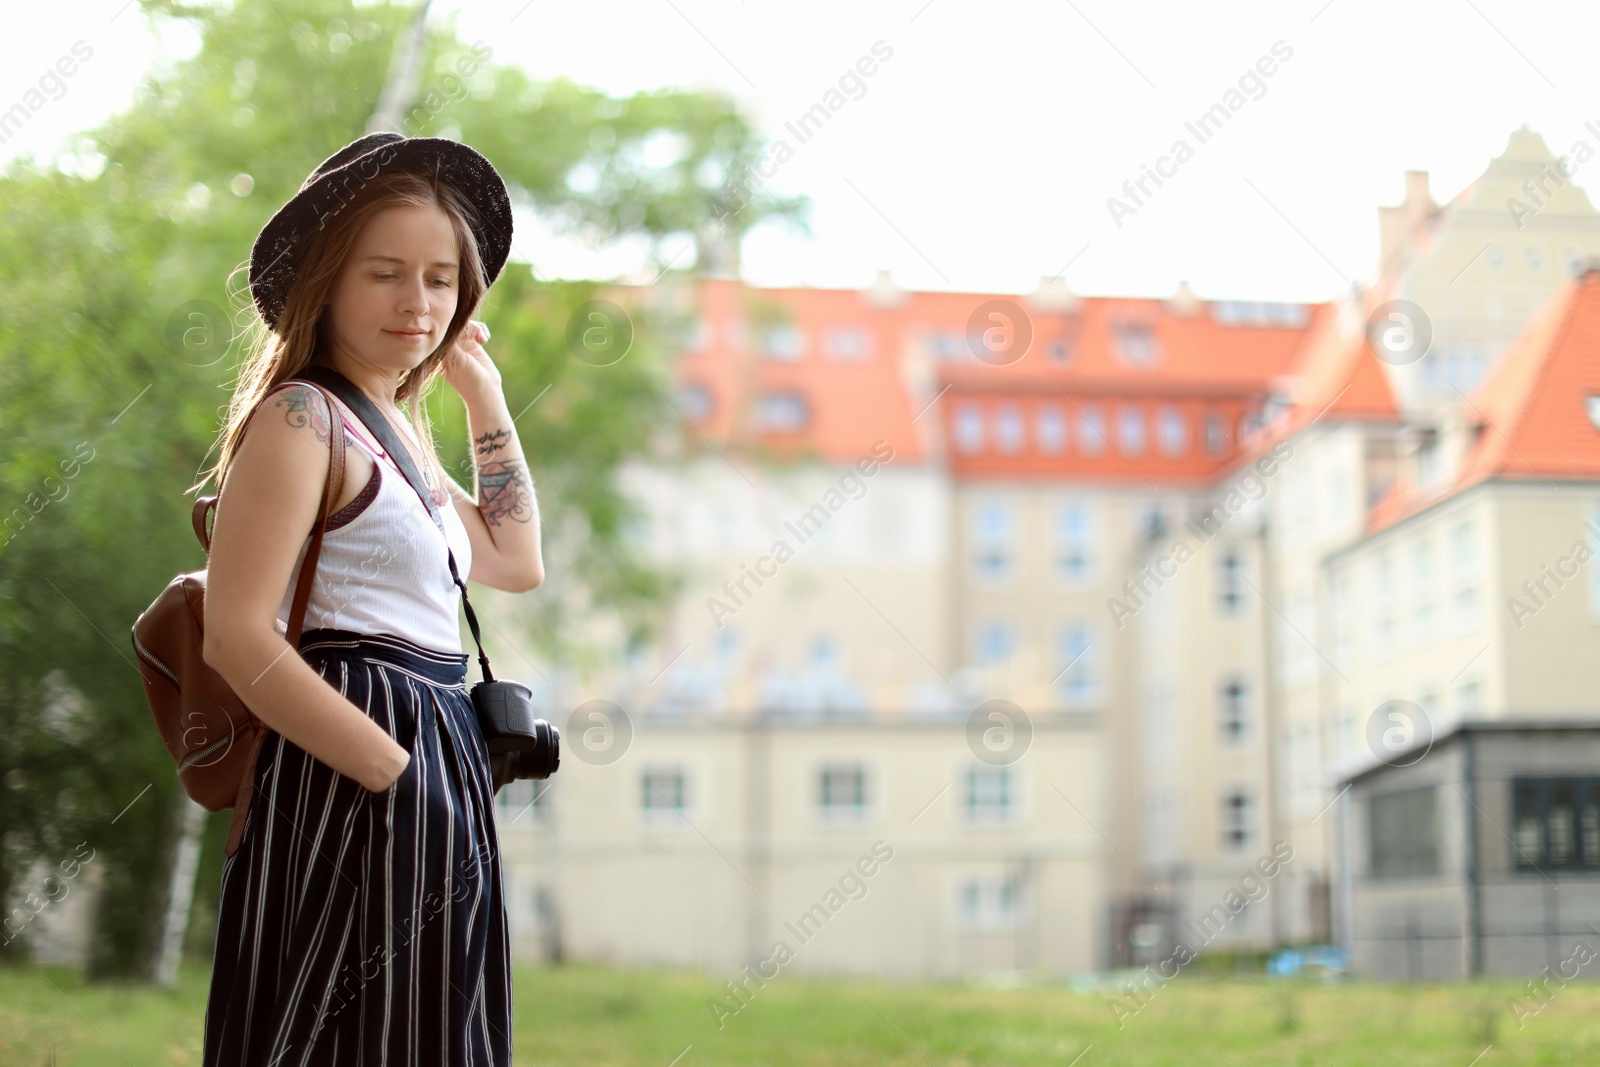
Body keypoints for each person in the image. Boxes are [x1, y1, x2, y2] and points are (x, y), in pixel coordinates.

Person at [196, 132, 542, 1066]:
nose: (418, 302)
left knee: (433, 1028)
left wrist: (483, 394)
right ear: (328, 281)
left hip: (437, 753)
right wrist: (395, 771)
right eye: (386, 272)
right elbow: (235, 634)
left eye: (439, 279)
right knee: (340, 1032)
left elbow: (514, 558)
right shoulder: (302, 416)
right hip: (351, 757)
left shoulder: (394, 433)